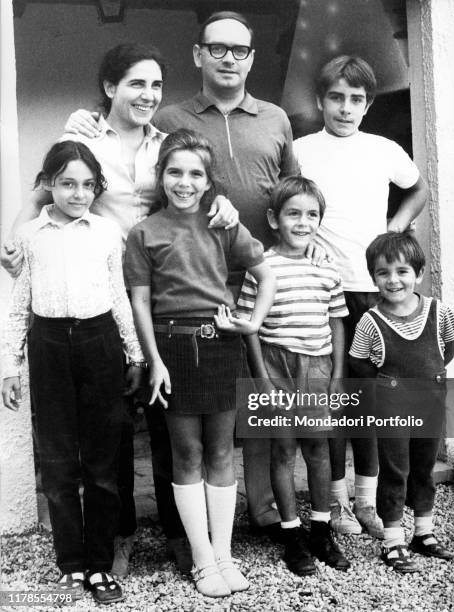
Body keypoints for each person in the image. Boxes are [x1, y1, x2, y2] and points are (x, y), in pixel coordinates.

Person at [0, 43, 237, 577]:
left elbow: (195, 184)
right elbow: (41, 198)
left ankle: (183, 537)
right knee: (114, 430)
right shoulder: (79, 137)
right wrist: (15, 238)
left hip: (162, 292)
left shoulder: (166, 144)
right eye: (136, 83)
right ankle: (120, 535)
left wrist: (219, 203)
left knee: (169, 420)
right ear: (109, 88)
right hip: (106, 296)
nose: (148, 95)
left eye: (156, 85)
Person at [124, 129, 276, 597]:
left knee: (221, 452)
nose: (184, 182)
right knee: (186, 454)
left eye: (195, 174)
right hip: (172, 350)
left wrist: (252, 322)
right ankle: (203, 562)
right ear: (160, 176)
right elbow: (141, 304)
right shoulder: (144, 233)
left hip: (220, 344)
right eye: (174, 172)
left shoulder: (223, 223)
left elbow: (264, 273)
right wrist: (155, 361)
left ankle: (225, 555)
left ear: (209, 180)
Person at [1, 141, 145, 604]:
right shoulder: (30, 236)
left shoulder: (106, 232)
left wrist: (135, 354)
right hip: (48, 346)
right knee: (60, 460)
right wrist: (11, 366)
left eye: (87, 185)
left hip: (99, 342)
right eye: (67, 183)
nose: (77, 193)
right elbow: (19, 305)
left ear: (97, 188)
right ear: (48, 185)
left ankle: (100, 564)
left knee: (103, 460)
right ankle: (71, 563)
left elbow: (119, 295)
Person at [293, 55, 429, 539]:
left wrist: (393, 228)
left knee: (370, 400)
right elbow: (290, 203)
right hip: (324, 293)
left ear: (367, 104)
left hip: (375, 294)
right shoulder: (301, 150)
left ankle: (368, 503)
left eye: (355, 99)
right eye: (336, 97)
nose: (345, 108)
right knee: (332, 400)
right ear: (320, 100)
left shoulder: (383, 148)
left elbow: (417, 191)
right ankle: (336, 504)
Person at [237, 176, 350, 576]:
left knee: (317, 450)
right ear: (273, 218)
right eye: (293, 214)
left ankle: (320, 528)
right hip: (275, 365)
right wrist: (261, 378)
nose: (302, 222)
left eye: (311, 215)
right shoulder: (262, 268)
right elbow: (251, 325)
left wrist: (337, 373)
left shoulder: (326, 268)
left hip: (317, 366)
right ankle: (291, 534)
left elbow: (336, 321)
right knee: (283, 450)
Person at [349, 231, 454, 572]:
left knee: (424, 468)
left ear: (419, 274)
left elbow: (448, 348)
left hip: (430, 401)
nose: (393, 280)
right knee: (395, 470)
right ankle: (393, 541)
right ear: (373, 278)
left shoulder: (437, 311)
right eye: (383, 273)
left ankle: (423, 533)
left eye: (402, 271)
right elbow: (359, 362)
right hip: (392, 405)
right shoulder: (370, 321)